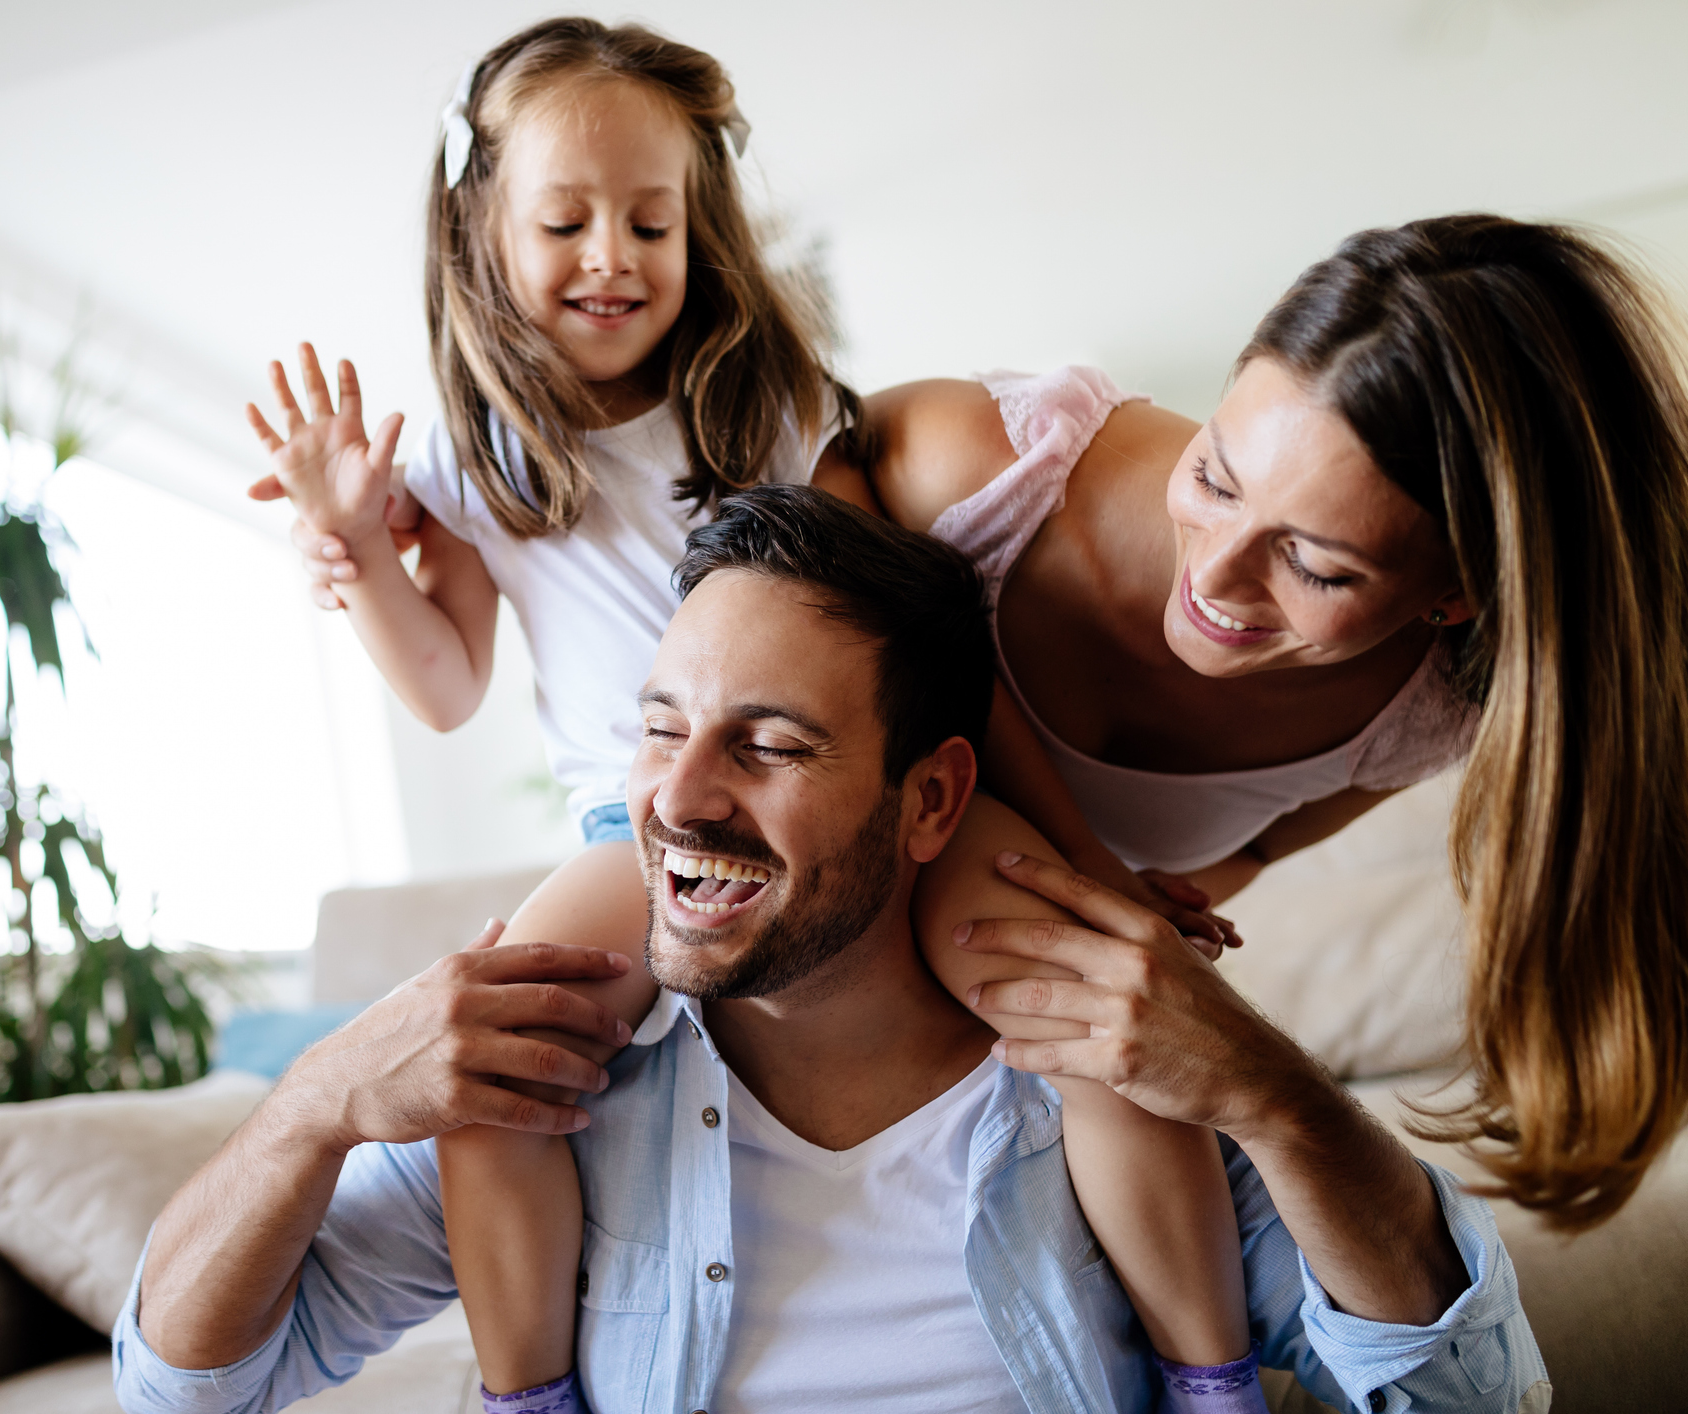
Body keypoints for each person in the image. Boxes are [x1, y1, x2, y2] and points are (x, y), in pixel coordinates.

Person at [248, 17, 1248, 1409]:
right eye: (565, 223)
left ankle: (1212, 1377)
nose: (612, 256)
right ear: (481, 231)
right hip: (635, 834)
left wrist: (1092, 868)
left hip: (854, 785)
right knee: (498, 1070)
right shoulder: (475, 462)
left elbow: (928, 658)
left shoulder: (774, 410)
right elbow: (444, 686)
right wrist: (358, 547)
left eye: (650, 223)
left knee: (1092, 1014)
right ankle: (529, 1394)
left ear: (699, 227)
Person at [116, 486, 1548, 1414]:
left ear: (930, 800)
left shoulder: (1100, 1070)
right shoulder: (556, 1084)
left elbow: (1470, 1400)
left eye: (771, 744)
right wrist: (315, 1102)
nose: (676, 800)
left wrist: (1278, 1097)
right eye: (662, 728)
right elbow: (179, 1388)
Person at [872, 215, 1688, 1233]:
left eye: (1316, 566)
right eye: (1214, 476)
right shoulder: (971, 470)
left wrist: (1132, 929)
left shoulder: (1425, 711)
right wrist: (1089, 865)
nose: (1213, 575)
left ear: (1454, 596)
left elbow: (1246, 851)